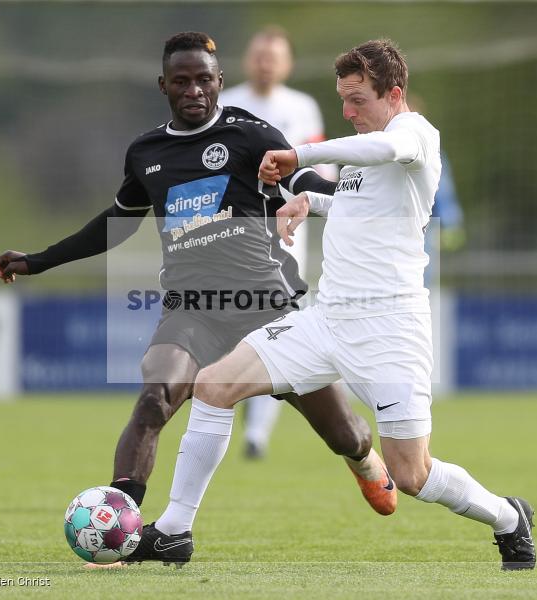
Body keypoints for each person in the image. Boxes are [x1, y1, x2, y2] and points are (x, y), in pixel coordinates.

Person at [0, 31, 399, 561]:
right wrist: (40, 259)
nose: (193, 90)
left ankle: (364, 462)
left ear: (219, 82)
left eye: (203, 80)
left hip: (266, 309)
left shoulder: (251, 135)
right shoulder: (146, 153)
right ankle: (124, 528)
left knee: (344, 433)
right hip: (191, 310)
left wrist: (368, 205)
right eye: (181, 81)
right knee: (154, 399)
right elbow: (118, 222)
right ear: (163, 85)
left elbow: (306, 181)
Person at [136, 39, 536, 571]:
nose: (347, 111)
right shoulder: (366, 146)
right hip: (326, 320)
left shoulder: (414, 133)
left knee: (411, 474)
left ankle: (507, 517)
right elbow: (361, 206)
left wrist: (301, 156)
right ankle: (173, 531)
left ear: (394, 93)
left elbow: (383, 152)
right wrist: (312, 199)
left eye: (357, 99)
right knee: (213, 385)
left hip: (389, 328)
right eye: (342, 99)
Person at [219, 26, 335, 459]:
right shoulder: (227, 103)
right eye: (259, 55)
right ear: (247, 60)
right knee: (229, 329)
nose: (265, 63)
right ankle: (229, 413)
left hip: (284, 235)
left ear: (287, 64)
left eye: (274, 57)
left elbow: (322, 169)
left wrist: (310, 195)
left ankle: (256, 435)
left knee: (278, 330)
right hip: (232, 233)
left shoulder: (302, 107)